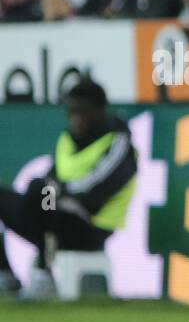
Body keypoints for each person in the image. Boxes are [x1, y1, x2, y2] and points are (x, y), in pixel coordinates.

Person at [0, 77, 137, 300]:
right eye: (71, 111)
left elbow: (95, 193)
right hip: (54, 219)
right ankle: (5, 276)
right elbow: (51, 178)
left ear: (99, 111)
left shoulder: (118, 143)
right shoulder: (66, 140)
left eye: (82, 112)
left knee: (42, 192)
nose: (76, 118)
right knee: (28, 193)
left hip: (90, 227)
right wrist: (54, 189)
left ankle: (44, 274)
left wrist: (58, 190)